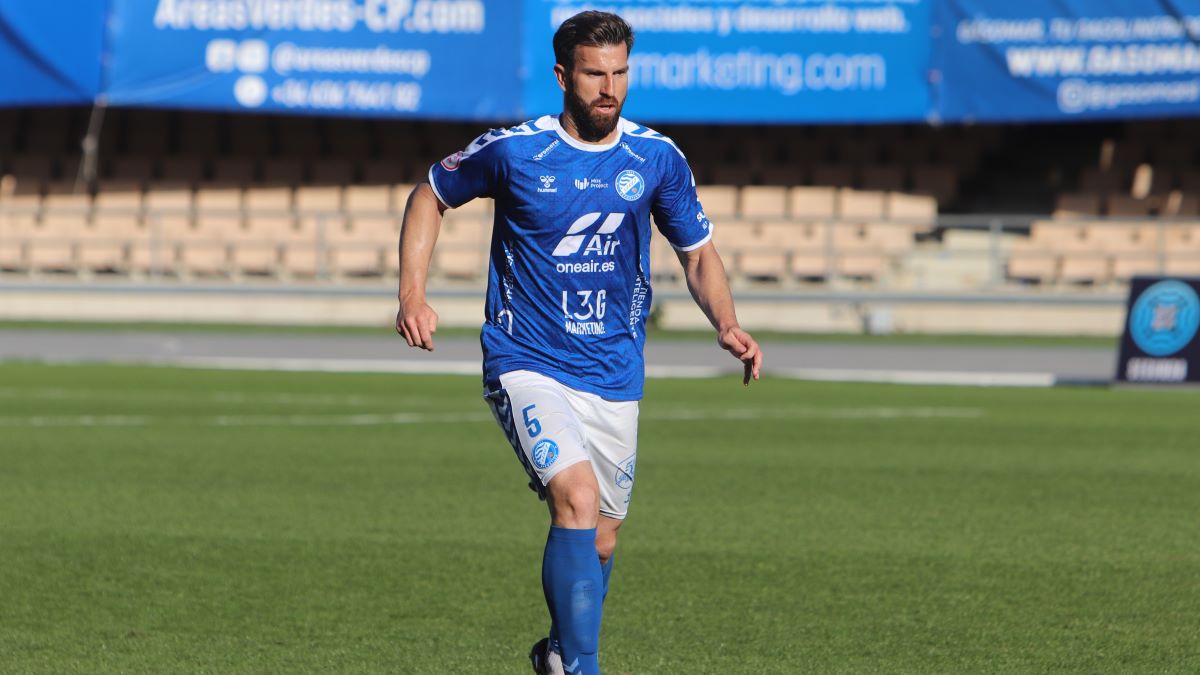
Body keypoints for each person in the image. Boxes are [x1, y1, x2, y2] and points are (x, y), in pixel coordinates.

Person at [395, 10, 763, 674]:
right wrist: (412, 293)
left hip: (614, 369)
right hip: (526, 359)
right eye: (595, 74)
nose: (609, 87)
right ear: (563, 76)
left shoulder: (656, 157)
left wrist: (726, 322)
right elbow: (430, 195)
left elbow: (698, 253)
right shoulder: (515, 151)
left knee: (600, 538)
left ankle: (558, 655)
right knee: (576, 497)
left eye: (620, 73)